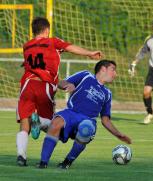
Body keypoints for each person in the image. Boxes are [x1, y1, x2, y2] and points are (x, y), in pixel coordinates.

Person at [16, 17, 102, 166]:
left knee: (24, 122)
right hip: (44, 86)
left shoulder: (26, 46)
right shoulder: (52, 41)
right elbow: (70, 47)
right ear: (47, 30)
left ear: (33, 30)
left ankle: (21, 157)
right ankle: (41, 122)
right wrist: (89, 53)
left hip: (27, 85)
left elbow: (33, 67)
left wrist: (62, 84)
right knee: (52, 125)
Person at [37, 59, 132, 169]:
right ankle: (43, 163)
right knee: (56, 123)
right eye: (113, 70)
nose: (115, 74)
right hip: (72, 113)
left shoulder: (107, 94)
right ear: (103, 69)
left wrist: (118, 134)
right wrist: (69, 85)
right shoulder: (86, 76)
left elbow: (105, 119)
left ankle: (66, 162)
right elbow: (61, 82)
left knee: (86, 129)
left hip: (88, 120)